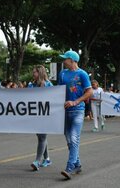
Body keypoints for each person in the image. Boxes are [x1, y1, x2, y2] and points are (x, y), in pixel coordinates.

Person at [58, 50, 93, 180]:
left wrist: (75, 101)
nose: (63, 61)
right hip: (65, 111)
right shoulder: (62, 74)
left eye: (65, 59)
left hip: (78, 110)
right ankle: (77, 164)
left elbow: (89, 92)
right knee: (69, 140)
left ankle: (70, 167)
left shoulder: (82, 74)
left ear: (72, 60)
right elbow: (58, 91)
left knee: (74, 139)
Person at [28, 65, 53, 171]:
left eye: (35, 72)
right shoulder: (31, 85)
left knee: (42, 137)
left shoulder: (48, 84)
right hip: (35, 114)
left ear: (40, 73)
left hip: (45, 114)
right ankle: (47, 158)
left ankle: (37, 161)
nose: (33, 74)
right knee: (41, 137)